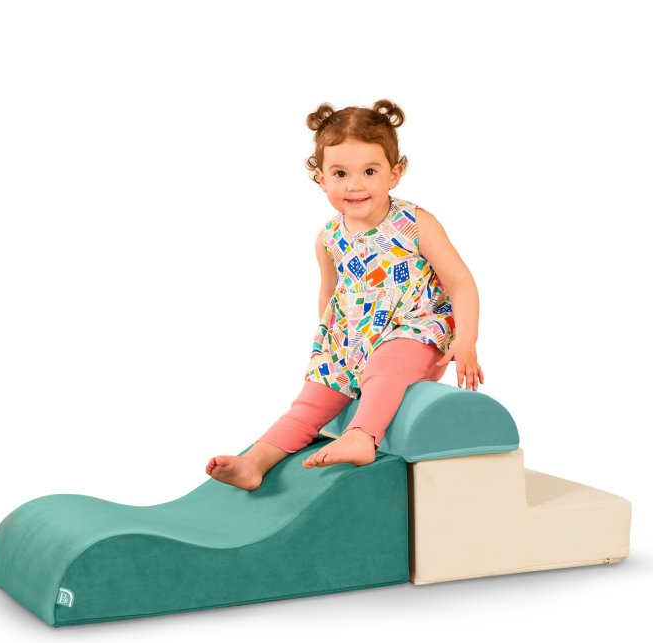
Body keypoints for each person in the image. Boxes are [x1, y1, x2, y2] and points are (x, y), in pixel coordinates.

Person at [206, 99, 483, 492]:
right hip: (354, 341)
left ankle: (361, 437)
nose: (355, 185)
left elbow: (460, 281)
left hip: (416, 332)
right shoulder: (328, 238)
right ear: (321, 178)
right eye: (340, 173)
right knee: (309, 402)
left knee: (385, 367)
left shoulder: (415, 223)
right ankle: (255, 462)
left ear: (394, 174)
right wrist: (331, 353)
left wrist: (466, 339)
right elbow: (330, 296)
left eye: (370, 171)